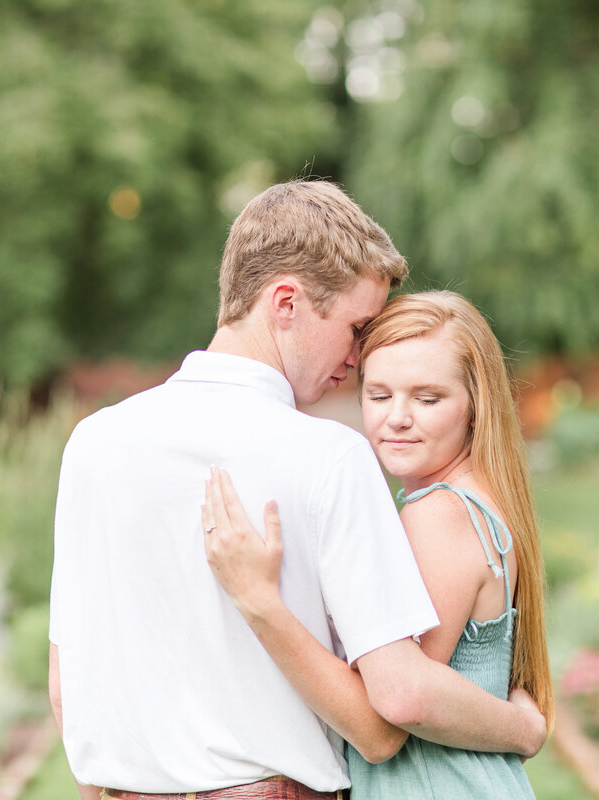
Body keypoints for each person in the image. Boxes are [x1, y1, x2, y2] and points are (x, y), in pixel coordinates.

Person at [49, 180, 547, 800]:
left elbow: (67, 688)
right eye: (356, 326)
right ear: (285, 302)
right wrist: (522, 728)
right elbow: (384, 726)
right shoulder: (331, 458)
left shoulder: (93, 443)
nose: (359, 354)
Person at [202, 290, 554, 799]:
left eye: (428, 398)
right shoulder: (475, 500)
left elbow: (399, 697)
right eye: (380, 395)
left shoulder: (439, 513)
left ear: (477, 406)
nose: (398, 418)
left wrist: (260, 598)